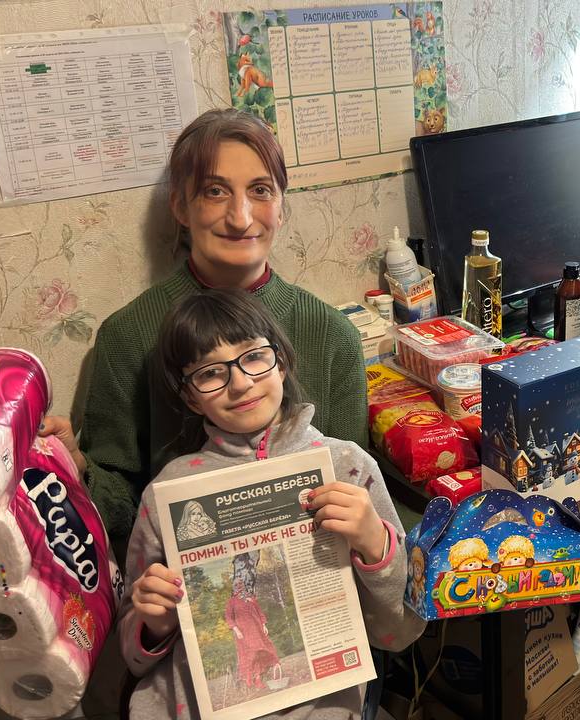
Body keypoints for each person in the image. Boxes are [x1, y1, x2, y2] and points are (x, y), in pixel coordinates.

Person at [40, 109, 368, 547]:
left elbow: (354, 486)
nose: (240, 217)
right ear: (180, 206)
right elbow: (121, 509)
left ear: (281, 207)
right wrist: (76, 466)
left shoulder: (333, 335)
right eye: (215, 191)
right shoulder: (129, 335)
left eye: (261, 190)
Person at [119, 288, 422, 718]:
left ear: (282, 361)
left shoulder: (348, 467)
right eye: (210, 373)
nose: (241, 383)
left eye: (254, 357)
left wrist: (377, 545)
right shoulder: (169, 492)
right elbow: (133, 658)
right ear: (190, 397)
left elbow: (401, 633)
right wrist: (154, 623)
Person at [225, 574, 279, 691]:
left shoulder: (251, 597)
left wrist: (264, 625)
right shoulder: (232, 602)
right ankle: (252, 678)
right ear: (233, 587)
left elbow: (259, 612)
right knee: (250, 655)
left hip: (257, 630)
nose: (239, 585)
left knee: (260, 652)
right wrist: (236, 630)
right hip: (243, 633)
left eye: (240, 583)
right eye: (236, 584)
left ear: (244, 584)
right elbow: (229, 618)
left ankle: (260, 677)